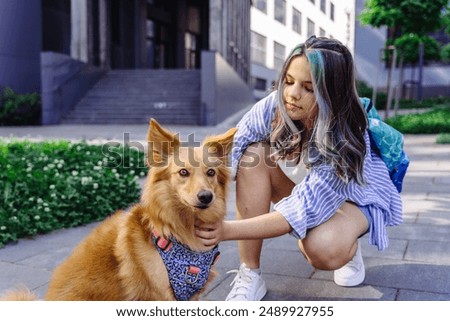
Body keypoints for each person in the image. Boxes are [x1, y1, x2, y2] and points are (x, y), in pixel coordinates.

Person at [195, 36, 403, 301]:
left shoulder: (345, 132)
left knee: (320, 248)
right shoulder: (273, 106)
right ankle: (250, 272)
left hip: (353, 199)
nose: (292, 94)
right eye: (289, 81)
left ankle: (348, 244)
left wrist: (225, 230)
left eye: (308, 87)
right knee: (252, 155)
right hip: (304, 186)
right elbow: (233, 155)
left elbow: (302, 209)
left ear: (332, 93)